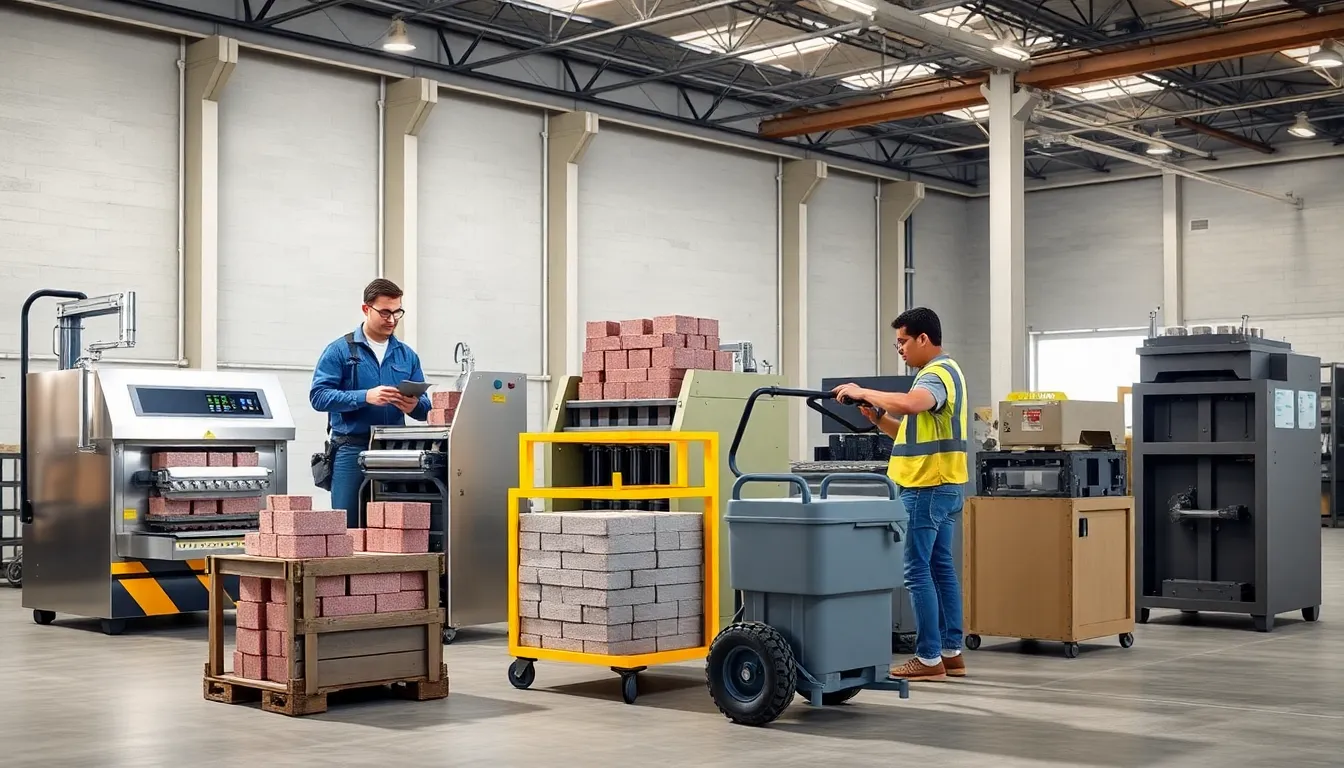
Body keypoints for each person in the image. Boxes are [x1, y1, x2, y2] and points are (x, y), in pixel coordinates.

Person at [832, 306, 968, 682]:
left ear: (924, 339)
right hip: (944, 485)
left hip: (926, 487)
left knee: (916, 570)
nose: (901, 350)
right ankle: (950, 653)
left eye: (903, 342)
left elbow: (911, 404)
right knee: (941, 568)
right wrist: (877, 418)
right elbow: (909, 431)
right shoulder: (941, 374)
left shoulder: (936, 374)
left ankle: (927, 658)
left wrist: (861, 389)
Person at [309, 278, 431, 527]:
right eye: (385, 312)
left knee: (396, 529)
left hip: (396, 452)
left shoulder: (407, 355)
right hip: (351, 450)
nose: (392, 319)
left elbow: (426, 408)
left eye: (397, 312)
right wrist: (365, 396)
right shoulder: (339, 351)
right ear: (366, 309)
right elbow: (319, 397)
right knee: (349, 527)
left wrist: (415, 406)